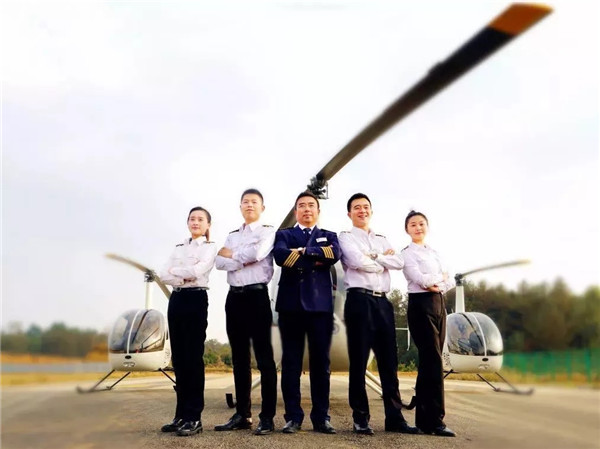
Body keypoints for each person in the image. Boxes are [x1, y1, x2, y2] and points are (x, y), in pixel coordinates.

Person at [338, 193, 419, 436]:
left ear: (371, 211)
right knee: (359, 361)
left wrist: (375, 257)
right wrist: (383, 259)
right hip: (359, 300)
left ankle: (394, 418)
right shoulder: (345, 237)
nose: (362, 211)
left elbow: (399, 262)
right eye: (357, 207)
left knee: (389, 362)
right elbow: (356, 261)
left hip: (383, 301)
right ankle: (360, 418)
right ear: (349, 213)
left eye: (366, 207)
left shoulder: (381, 238)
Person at [273, 191, 340, 435]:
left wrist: (304, 251)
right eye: (302, 205)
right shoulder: (284, 234)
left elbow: (335, 254)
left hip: (320, 307)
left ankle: (321, 418)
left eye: (311, 205)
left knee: (321, 364)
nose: (307, 209)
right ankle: (293, 417)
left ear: (318, 211)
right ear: (295, 211)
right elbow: (281, 256)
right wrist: (317, 257)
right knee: (291, 363)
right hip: (290, 306)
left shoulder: (329, 235)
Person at [214, 188, 277, 436]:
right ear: (240, 206)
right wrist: (243, 258)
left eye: (254, 202)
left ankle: (267, 417)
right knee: (239, 359)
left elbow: (258, 253)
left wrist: (234, 256)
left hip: (257, 296)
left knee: (264, 359)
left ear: (262, 207)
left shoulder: (267, 232)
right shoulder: (232, 235)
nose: (249, 205)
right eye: (245, 202)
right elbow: (219, 262)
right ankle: (242, 414)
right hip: (234, 298)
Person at [158, 206, 218, 437]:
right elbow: (163, 274)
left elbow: (199, 271)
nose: (195, 222)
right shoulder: (179, 248)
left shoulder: (210, 247)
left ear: (208, 225)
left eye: (200, 219)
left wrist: (177, 272)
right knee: (180, 360)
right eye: (192, 218)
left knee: (193, 358)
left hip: (195, 298)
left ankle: (194, 417)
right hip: (177, 299)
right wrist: (183, 275)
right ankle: (180, 415)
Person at [401, 210, 456, 437]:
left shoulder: (434, 252)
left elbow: (450, 279)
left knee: (430, 361)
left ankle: (424, 420)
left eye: (421, 223)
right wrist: (438, 280)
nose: (418, 227)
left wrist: (438, 283)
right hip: (421, 305)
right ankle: (435, 420)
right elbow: (420, 279)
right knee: (433, 360)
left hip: (438, 303)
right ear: (407, 229)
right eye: (413, 224)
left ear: (427, 227)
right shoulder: (407, 253)